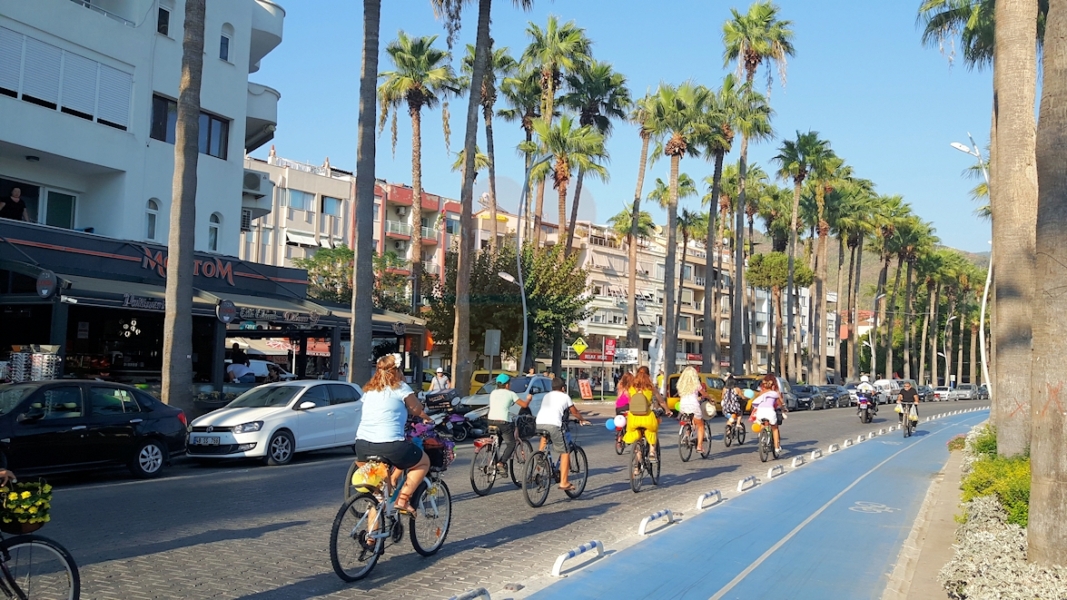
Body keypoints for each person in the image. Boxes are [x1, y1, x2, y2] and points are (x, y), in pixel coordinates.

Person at [354, 355, 434, 515]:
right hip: (390, 445)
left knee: (378, 497)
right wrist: (427, 418)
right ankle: (403, 500)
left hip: (362, 445)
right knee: (423, 462)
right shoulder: (401, 387)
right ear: (397, 370)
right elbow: (416, 409)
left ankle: (372, 538)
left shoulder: (369, 389)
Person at [534, 377, 589, 491]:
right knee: (565, 452)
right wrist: (582, 419)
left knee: (545, 437)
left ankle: (540, 456)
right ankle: (564, 482)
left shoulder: (547, 396)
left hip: (539, 423)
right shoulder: (565, 396)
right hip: (554, 425)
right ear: (563, 388)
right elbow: (574, 412)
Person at [622, 366, 672, 462]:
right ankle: (652, 452)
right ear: (648, 375)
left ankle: (637, 464)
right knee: (652, 431)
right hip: (647, 417)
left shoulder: (631, 387)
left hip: (633, 418)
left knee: (636, 436)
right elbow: (661, 401)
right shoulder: (650, 387)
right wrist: (667, 410)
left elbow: (630, 401)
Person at [487, 373, 530, 474]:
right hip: (503, 422)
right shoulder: (511, 394)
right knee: (511, 444)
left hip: (490, 420)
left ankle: (494, 459)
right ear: (507, 385)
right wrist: (529, 399)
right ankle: (501, 463)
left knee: (498, 439)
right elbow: (524, 405)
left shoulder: (493, 393)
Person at [676, 367, 708, 453]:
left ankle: (686, 434)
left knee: (689, 421)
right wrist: (709, 397)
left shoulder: (680, 385)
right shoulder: (696, 384)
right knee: (700, 426)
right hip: (694, 406)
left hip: (683, 406)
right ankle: (699, 446)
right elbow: (704, 394)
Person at [752, 374, 786, 454]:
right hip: (770, 412)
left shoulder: (761, 393)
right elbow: (780, 403)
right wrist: (784, 408)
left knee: (763, 424)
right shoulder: (774, 393)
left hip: (760, 412)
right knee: (775, 428)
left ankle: (762, 436)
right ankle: (777, 448)